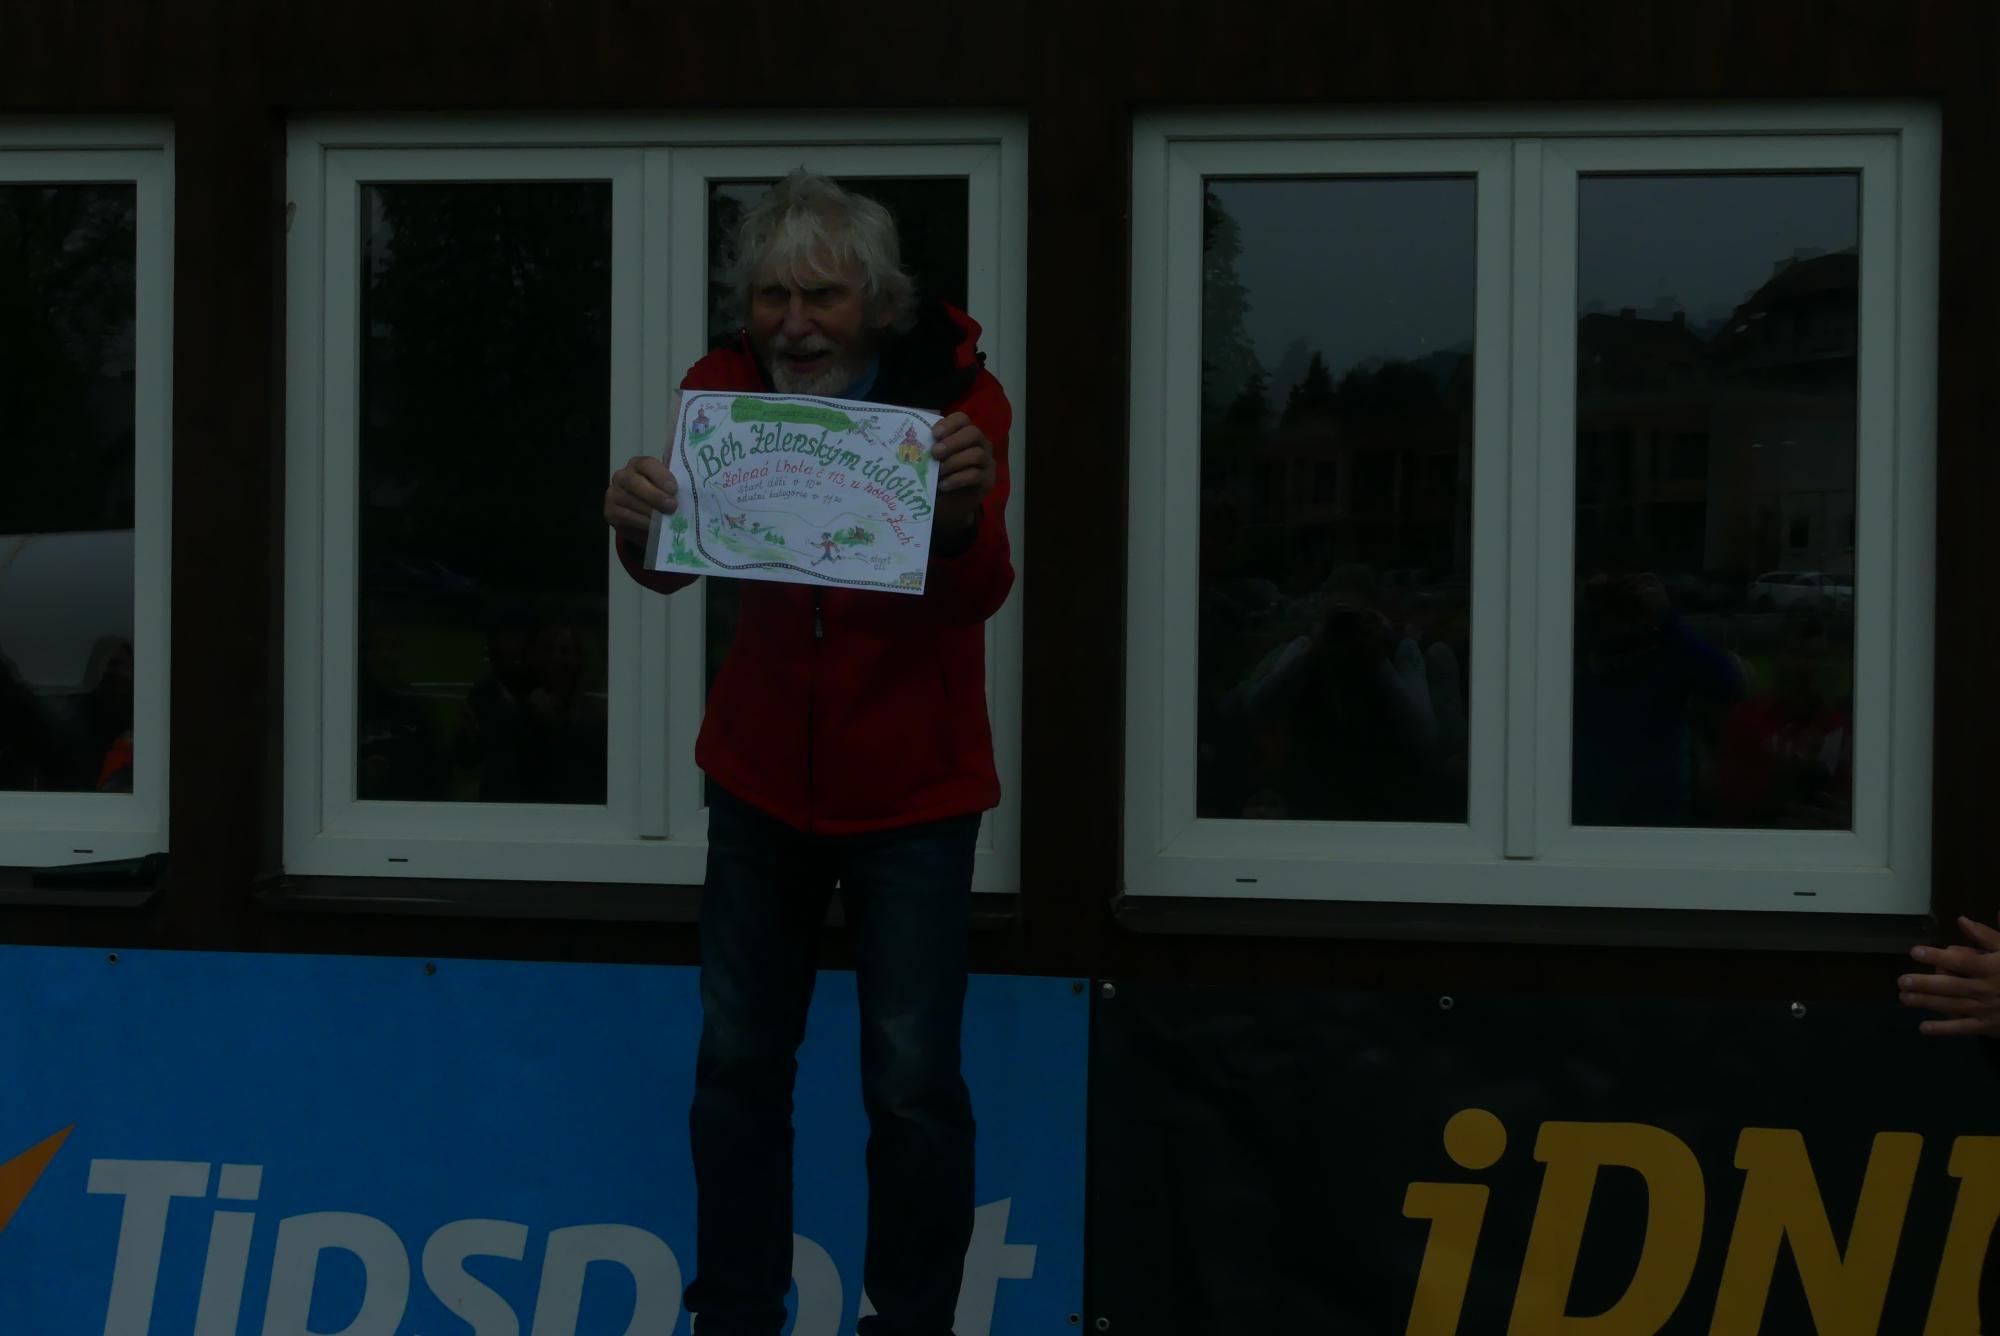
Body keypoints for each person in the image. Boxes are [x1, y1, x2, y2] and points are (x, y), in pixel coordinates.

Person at [602, 171, 1011, 1336]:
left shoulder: (962, 402)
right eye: (771, 296)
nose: (793, 323)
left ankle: (913, 1322)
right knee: (736, 1068)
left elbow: (977, 594)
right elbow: (672, 565)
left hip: (916, 791)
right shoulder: (719, 390)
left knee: (912, 1084)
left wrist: (959, 518)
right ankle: (735, 1315)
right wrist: (634, 521)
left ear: (876, 303)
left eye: (821, 297)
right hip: (760, 779)